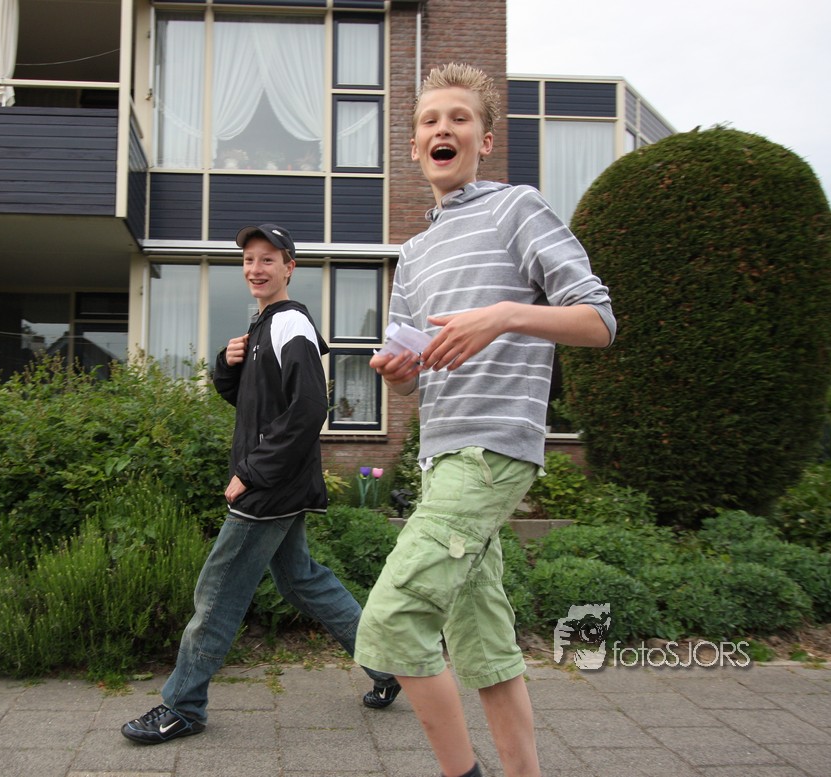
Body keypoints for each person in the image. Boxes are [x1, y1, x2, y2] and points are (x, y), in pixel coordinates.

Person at [354, 63, 617, 777]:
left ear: (486, 140)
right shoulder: (412, 255)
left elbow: (598, 321)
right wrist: (403, 373)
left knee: (394, 619)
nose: (443, 128)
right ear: (415, 146)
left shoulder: (516, 208)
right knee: (484, 643)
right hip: (442, 455)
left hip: (492, 450)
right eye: (429, 121)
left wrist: (503, 315)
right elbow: (419, 369)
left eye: (459, 118)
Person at [121, 223, 401, 745]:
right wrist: (226, 368)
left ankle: (182, 707)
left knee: (218, 591)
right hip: (281, 484)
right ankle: (387, 664)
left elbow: (309, 410)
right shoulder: (264, 325)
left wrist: (251, 473)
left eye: (268, 259)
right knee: (302, 580)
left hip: (268, 488)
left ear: (290, 267)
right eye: (249, 259)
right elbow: (254, 404)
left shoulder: (290, 324)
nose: (256, 268)